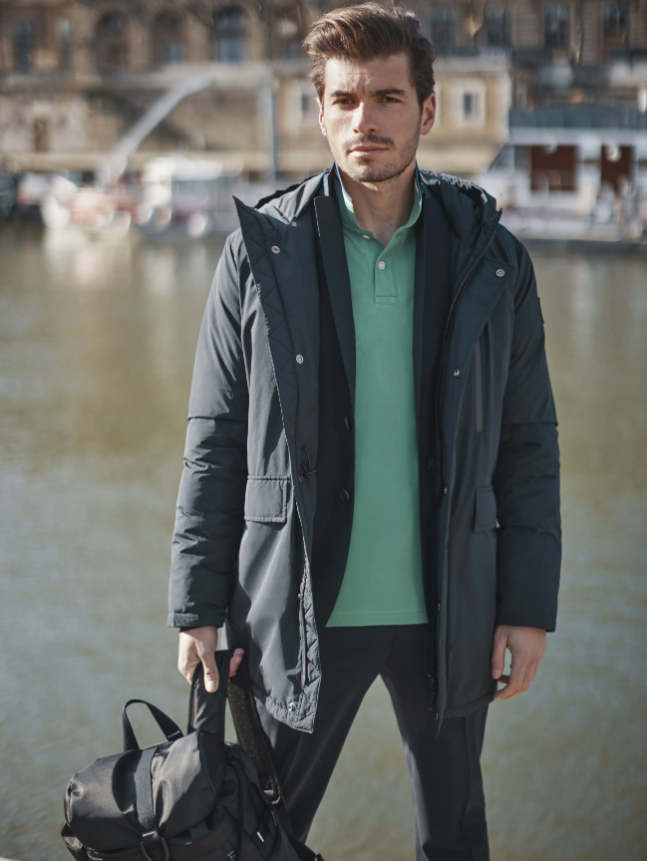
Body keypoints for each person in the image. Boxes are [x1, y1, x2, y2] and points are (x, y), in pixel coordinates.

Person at [168, 5, 561, 859]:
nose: (364, 120)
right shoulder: (261, 250)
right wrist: (198, 605)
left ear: (426, 110)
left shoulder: (492, 257)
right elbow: (215, 439)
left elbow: (527, 441)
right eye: (343, 100)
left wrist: (526, 605)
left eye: (386, 98)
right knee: (256, 838)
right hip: (300, 602)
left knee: (454, 837)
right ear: (318, 112)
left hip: (450, 602)